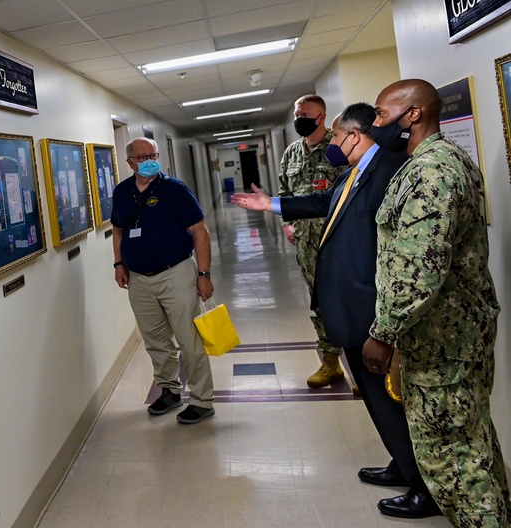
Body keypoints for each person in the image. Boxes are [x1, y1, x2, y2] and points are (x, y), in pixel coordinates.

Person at [232, 104, 437, 518]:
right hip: (352, 306)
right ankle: (404, 462)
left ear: (353, 136)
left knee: (390, 397)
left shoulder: (390, 171)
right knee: (380, 401)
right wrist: (271, 204)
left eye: (339, 136)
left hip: (370, 307)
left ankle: (423, 487)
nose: (335, 145)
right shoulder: (359, 171)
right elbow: (326, 201)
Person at [362, 79, 508, 527]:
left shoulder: (432, 172)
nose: (375, 124)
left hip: (445, 340)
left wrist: (383, 333)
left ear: (413, 115)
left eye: (382, 115)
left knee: (452, 461)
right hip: (451, 332)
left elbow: (417, 270)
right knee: (472, 442)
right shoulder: (434, 162)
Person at [111, 137, 215, 425]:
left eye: (153, 155)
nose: (149, 160)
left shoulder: (174, 189)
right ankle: (169, 390)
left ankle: (202, 399)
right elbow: (118, 231)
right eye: (142, 157)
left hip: (177, 272)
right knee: (155, 340)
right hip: (139, 279)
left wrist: (204, 274)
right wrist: (119, 263)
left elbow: (200, 231)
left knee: (189, 339)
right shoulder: (121, 193)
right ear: (129, 161)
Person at [278, 94, 349, 388]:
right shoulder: (292, 153)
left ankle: (363, 366)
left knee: (351, 299)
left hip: (341, 240)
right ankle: (330, 363)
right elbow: (285, 192)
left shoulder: (340, 147)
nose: (299, 120)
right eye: (297, 114)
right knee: (319, 303)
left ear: (321, 117)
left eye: (305, 114)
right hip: (307, 244)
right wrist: (288, 224)